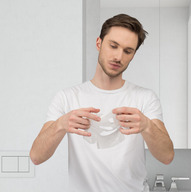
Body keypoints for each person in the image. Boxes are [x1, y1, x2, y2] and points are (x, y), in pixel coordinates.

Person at [30, 13, 174, 192]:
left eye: (127, 51)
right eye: (113, 46)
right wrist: (61, 124)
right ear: (99, 43)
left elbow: (167, 156)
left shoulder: (145, 98)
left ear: (133, 55)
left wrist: (146, 126)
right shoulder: (67, 97)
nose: (118, 56)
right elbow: (36, 156)